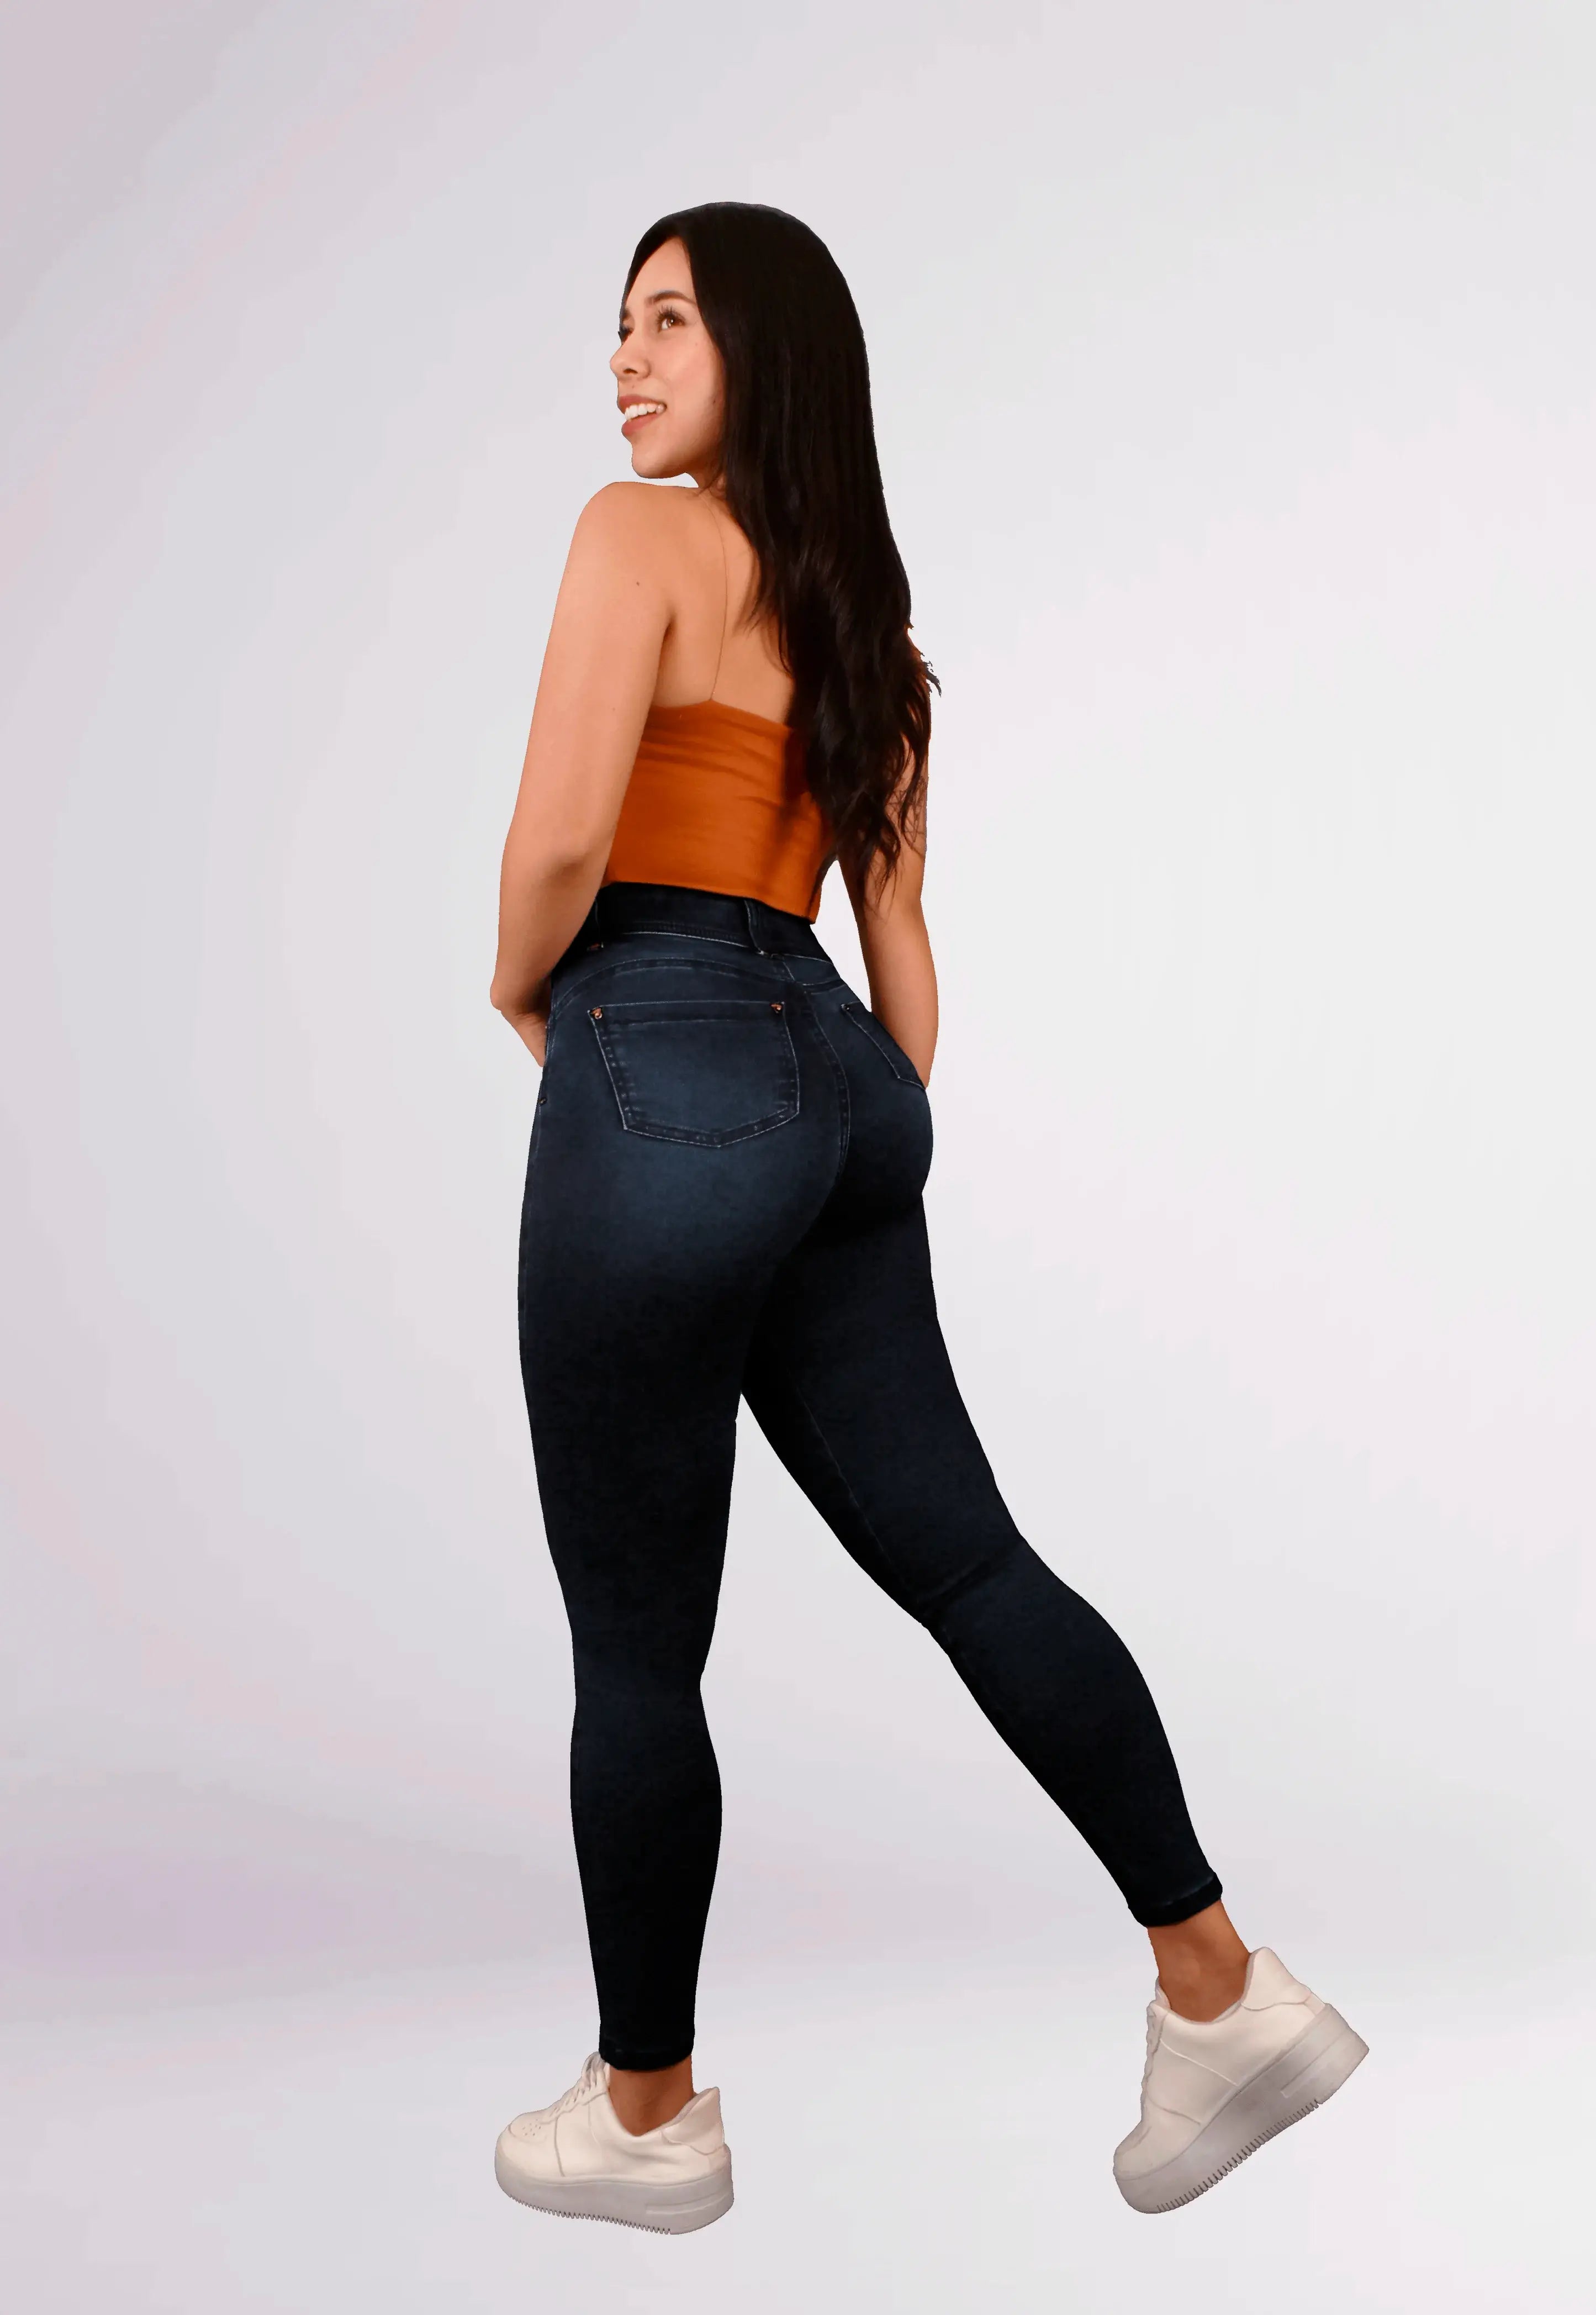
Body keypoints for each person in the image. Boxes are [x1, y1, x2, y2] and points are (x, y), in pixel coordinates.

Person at [487, 202, 1365, 2235]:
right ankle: (1218, 1985)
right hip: (840, 1074)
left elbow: (558, 837)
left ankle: (647, 2114)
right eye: (618, 326)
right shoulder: (877, 646)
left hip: (657, 1033)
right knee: (970, 1563)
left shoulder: (635, 540)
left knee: (637, 1648)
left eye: (667, 322)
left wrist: (532, 995)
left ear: (764, 351)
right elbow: (903, 969)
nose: (623, 360)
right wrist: (844, 1143)